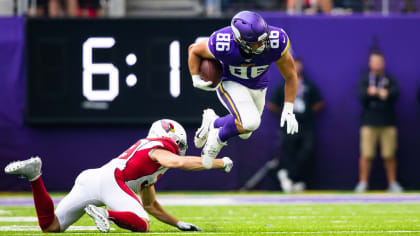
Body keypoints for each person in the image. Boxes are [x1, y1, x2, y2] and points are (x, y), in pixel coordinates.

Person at [4, 119, 233, 233]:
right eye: (179, 144)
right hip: (113, 181)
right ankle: (105, 213)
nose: (179, 147)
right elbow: (179, 162)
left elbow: (151, 204)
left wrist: (179, 224)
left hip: (92, 177)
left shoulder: (149, 159)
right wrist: (218, 162)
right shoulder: (160, 147)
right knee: (142, 225)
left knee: (51, 226)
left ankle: (35, 177)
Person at [188, 10, 299, 169]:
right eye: (257, 42)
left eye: (264, 39)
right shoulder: (223, 42)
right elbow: (194, 50)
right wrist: (194, 77)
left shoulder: (276, 40)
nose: (263, 44)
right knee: (251, 122)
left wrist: (288, 108)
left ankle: (213, 122)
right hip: (231, 82)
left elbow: (291, 76)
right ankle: (218, 137)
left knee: (246, 131)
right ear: (240, 40)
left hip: (259, 85)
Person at [268, 58, 323, 193]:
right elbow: (272, 104)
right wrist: (285, 114)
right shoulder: (283, 85)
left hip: (305, 124)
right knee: (289, 153)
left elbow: (318, 102)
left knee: (307, 151)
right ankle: (291, 179)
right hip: (289, 124)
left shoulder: (309, 84)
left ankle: (289, 176)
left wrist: (307, 114)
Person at [354, 51, 403, 193]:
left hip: (387, 122)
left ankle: (392, 182)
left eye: (379, 61)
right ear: (370, 63)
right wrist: (374, 93)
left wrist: (382, 93)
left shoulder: (390, 79)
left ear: (383, 63)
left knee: (389, 155)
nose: (377, 64)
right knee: (366, 154)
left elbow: (395, 94)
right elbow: (361, 95)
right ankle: (363, 182)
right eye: (374, 61)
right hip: (369, 123)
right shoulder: (365, 80)